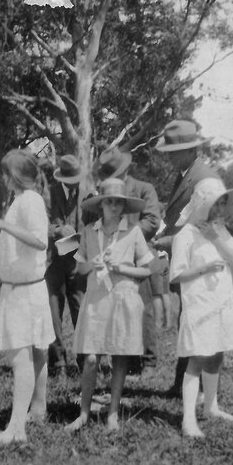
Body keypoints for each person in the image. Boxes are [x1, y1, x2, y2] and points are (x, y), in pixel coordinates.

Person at [64, 178, 153, 432]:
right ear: (101, 204)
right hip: (96, 298)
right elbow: (79, 268)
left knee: (119, 354)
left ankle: (112, 412)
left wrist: (122, 268)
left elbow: (146, 269)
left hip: (122, 297)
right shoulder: (89, 232)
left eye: (118, 203)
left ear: (124, 206)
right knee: (91, 357)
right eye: (109, 202)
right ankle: (83, 413)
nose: (114, 207)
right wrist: (91, 264)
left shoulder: (133, 231)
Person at [0, 149, 54, 445]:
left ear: (15, 176)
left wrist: (2, 225)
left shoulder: (30, 201)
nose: (2, 179)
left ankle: (16, 428)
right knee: (36, 352)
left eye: (5, 174)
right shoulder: (24, 200)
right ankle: (38, 409)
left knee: (21, 358)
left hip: (24, 292)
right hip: (25, 289)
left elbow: (40, 241)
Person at [170, 177, 233, 437]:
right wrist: (202, 268)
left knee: (216, 353)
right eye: (216, 203)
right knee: (198, 357)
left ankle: (211, 406)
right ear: (202, 203)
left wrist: (216, 238)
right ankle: (188, 419)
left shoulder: (219, 230)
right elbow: (176, 274)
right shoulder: (185, 235)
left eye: (223, 203)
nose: (220, 209)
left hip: (221, 303)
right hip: (199, 305)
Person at [151, 120, 220, 398]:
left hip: (199, 260)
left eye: (174, 151)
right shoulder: (187, 173)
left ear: (192, 150)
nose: (169, 156)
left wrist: (169, 241)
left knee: (197, 321)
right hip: (187, 257)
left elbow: (210, 227)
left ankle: (199, 388)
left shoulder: (206, 179)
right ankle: (183, 384)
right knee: (187, 320)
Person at [87, 146, 161, 370]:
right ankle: (120, 357)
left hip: (138, 255)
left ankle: (147, 359)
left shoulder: (143, 189)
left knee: (144, 306)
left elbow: (153, 220)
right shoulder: (103, 193)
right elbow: (90, 221)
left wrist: (127, 234)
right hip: (107, 257)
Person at [44, 154, 88, 374]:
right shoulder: (48, 194)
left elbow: (92, 224)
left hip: (77, 260)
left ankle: (84, 359)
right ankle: (58, 361)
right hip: (53, 262)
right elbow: (41, 224)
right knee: (53, 312)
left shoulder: (86, 194)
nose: (75, 184)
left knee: (81, 309)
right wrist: (57, 230)